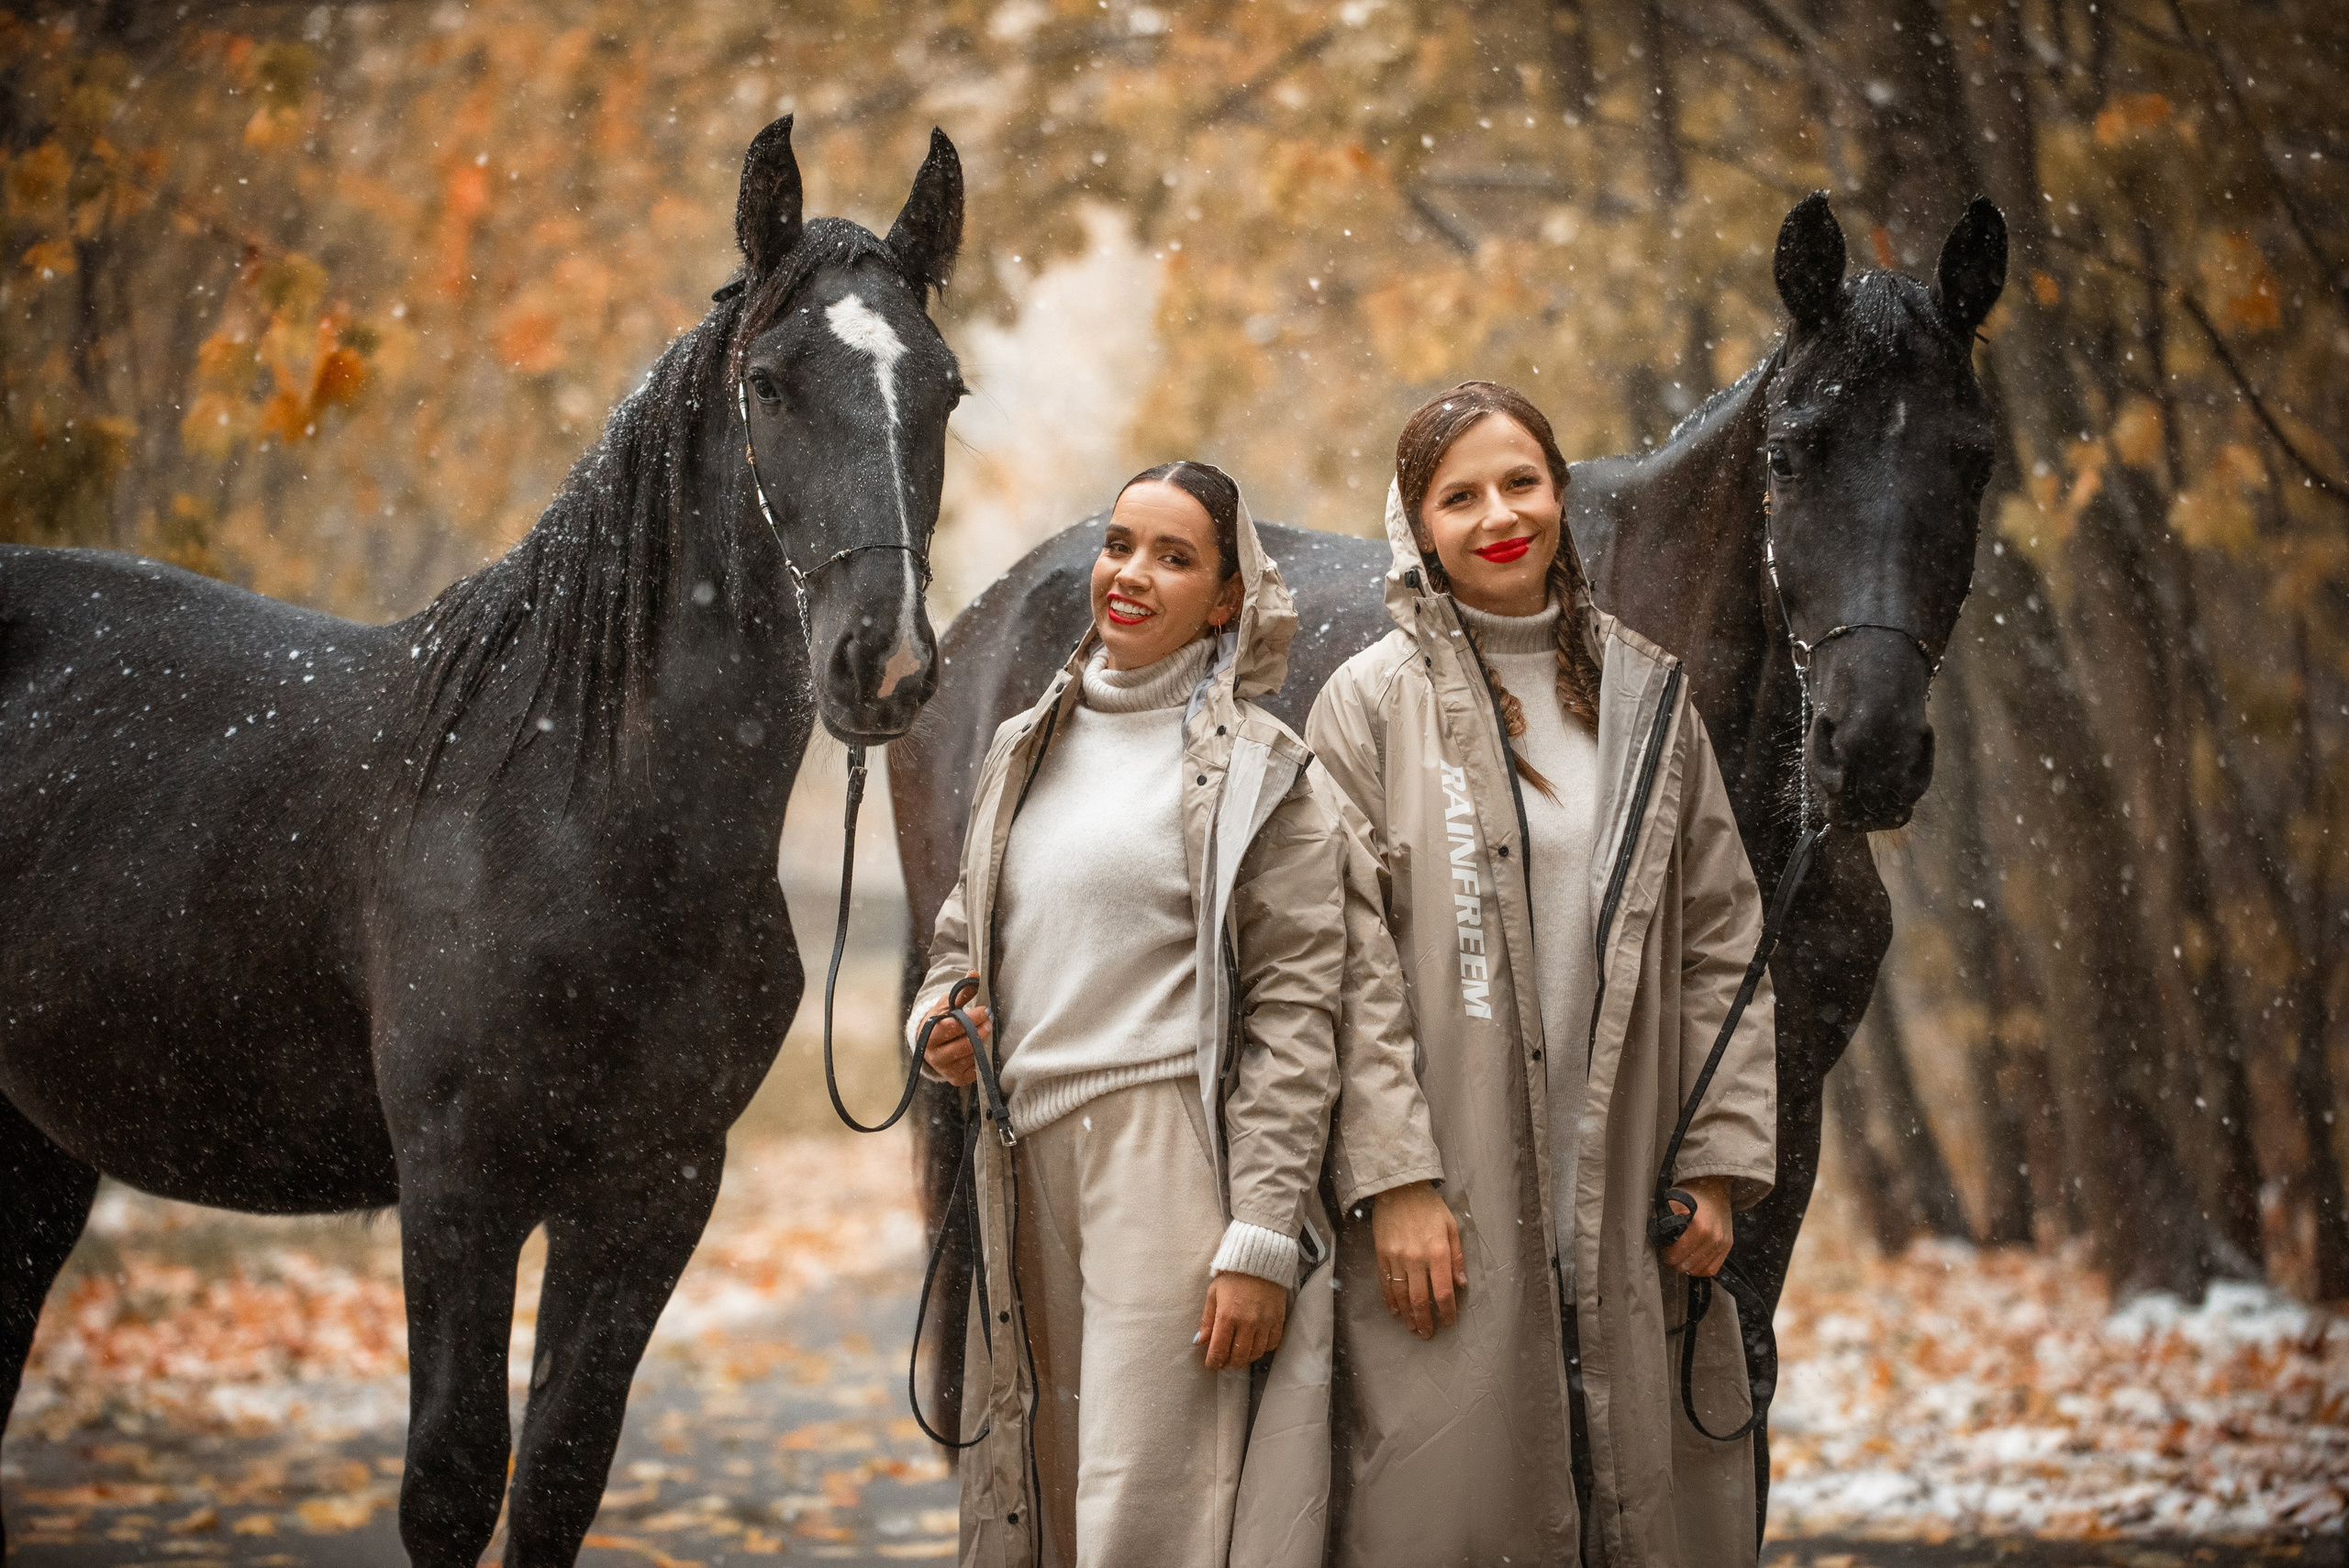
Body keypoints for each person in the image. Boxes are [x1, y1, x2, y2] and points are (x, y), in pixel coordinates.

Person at [1306, 382, 1779, 1567]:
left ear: (1561, 493)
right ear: (1418, 528)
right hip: (1448, 1199)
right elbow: (1341, 963)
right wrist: (1395, 1177)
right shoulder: (1367, 707)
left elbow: (1721, 939)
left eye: (1520, 482)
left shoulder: (1648, 698)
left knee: (1640, 1506)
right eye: (1459, 496)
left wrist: (1715, 1159)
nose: (1499, 515)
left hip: (1632, 1188)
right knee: (1451, 1509)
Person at [907, 461, 1360, 1568]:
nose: (1131, 573)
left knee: (1148, 1510)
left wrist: (1260, 1231)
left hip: (1165, 1162)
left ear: (1225, 598)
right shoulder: (1025, 746)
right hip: (1021, 1159)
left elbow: (1298, 1017)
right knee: (1042, 1498)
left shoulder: (1267, 774)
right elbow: (964, 938)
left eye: (1173, 556)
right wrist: (938, 1024)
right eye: (1118, 545)